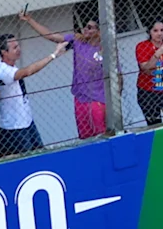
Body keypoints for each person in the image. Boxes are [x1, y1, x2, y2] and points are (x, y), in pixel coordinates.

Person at [17, 8, 112, 140]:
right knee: (85, 137)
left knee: (101, 136)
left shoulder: (106, 49)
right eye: (85, 26)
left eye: (90, 27)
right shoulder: (78, 41)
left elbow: (116, 76)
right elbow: (52, 36)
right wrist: (30, 20)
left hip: (98, 100)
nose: (85, 29)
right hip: (81, 99)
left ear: (99, 31)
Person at [0, 30, 58, 154]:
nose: (18, 49)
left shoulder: (10, 65)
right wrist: (54, 55)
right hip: (16, 127)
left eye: (18, 46)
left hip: (27, 122)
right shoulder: (2, 70)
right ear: (4, 52)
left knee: (40, 154)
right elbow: (27, 72)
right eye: (14, 48)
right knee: (27, 160)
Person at [134, 18, 163, 126]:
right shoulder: (142, 46)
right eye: (155, 31)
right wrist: (158, 53)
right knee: (154, 124)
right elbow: (146, 69)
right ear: (149, 32)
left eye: (162, 30)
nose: (159, 34)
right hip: (148, 91)